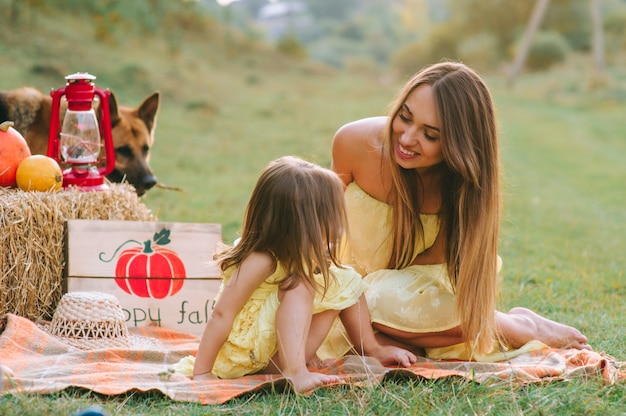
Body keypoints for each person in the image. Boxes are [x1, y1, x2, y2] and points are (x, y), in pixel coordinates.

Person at [330, 61, 589, 360]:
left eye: (430, 135)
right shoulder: (352, 141)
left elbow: (429, 265)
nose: (407, 138)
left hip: (411, 288)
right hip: (345, 281)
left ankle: (513, 325)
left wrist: (386, 306)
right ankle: (500, 326)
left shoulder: (460, 185)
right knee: (348, 310)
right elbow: (322, 226)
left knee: (376, 301)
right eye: (405, 117)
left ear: (458, 145)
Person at [192, 156, 416, 392]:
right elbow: (222, 313)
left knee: (340, 280)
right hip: (246, 357)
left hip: (274, 355)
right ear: (302, 224)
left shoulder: (300, 254)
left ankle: (371, 350)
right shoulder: (261, 259)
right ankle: (295, 372)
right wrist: (203, 371)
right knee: (301, 285)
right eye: (330, 220)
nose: (338, 228)